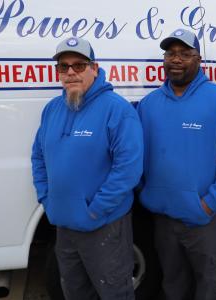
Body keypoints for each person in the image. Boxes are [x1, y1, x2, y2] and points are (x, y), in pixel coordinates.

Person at [137, 28, 216, 300]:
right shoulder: (148, 105)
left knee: (209, 284)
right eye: (171, 54)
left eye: (185, 54)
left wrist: (211, 202)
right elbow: (136, 155)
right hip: (163, 218)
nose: (176, 59)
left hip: (204, 218)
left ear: (199, 59)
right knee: (173, 285)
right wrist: (146, 193)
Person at [31, 36, 143, 300]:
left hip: (104, 226)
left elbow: (129, 168)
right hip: (65, 226)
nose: (70, 72)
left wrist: (96, 209)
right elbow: (38, 157)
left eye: (79, 65)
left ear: (94, 67)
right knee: (74, 292)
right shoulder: (52, 109)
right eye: (63, 66)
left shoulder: (117, 109)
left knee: (114, 293)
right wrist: (47, 198)